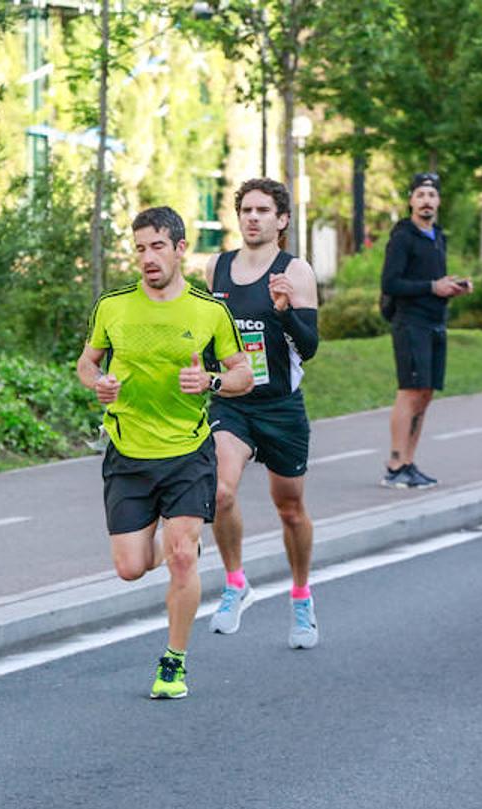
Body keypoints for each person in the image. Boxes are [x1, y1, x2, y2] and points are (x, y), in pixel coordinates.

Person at [77, 207, 253, 700]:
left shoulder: (209, 312)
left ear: (179, 249)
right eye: (139, 248)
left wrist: (212, 380)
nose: (147, 258)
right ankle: (179, 540)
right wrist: (100, 383)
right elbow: (86, 364)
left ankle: (173, 664)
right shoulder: (112, 307)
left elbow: (243, 374)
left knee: (180, 560)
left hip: (187, 452)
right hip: (129, 453)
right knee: (131, 568)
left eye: (157, 247)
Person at [204, 178, 321, 649]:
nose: (252, 217)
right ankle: (236, 583)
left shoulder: (296, 270)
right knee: (219, 491)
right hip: (233, 402)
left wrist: (285, 310)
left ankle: (301, 597)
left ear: (282, 220)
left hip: (281, 407)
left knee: (289, 509)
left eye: (263, 210)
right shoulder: (219, 267)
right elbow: (209, 331)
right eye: (246, 210)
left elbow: (308, 348)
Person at [380, 172, 472, 489]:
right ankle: (395, 465)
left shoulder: (438, 237)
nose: (426, 201)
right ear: (411, 200)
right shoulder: (403, 236)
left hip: (435, 322)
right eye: (420, 195)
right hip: (410, 323)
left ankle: (409, 461)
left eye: (431, 195)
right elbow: (390, 283)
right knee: (409, 392)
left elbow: (433, 282)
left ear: (439, 201)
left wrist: (452, 287)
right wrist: (433, 286)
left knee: (426, 393)